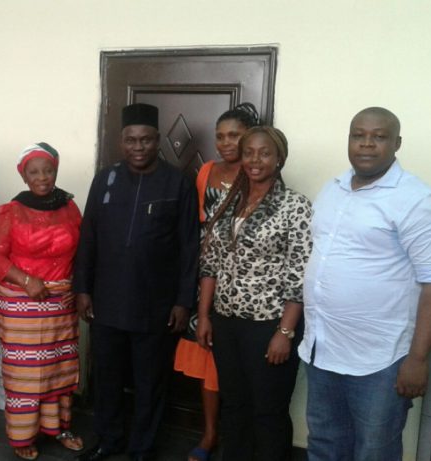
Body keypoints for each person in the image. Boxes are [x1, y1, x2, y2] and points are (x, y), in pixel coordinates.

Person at [298, 107, 431, 461]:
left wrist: (417, 359)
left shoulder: (418, 199)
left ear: (397, 143)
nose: (367, 144)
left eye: (379, 136)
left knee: (374, 451)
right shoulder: (334, 189)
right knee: (324, 444)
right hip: (322, 349)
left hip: (380, 359)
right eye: (358, 135)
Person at [73, 103, 200, 461]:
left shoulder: (178, 183)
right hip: (107, 300)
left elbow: (191, 247)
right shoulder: (106, 179)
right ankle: (109, 440)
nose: (139, 147)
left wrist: (182, 301)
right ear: (121, 141)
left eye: (146, 139)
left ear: (157, 140)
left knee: (150, 383)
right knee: (108, 379)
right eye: (131, 140)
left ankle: (142, 448)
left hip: (155, 306)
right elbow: (89, 237)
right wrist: (82, 288)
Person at [196, 126, 312, 461]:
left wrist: (285, 332)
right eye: (249, 153)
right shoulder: (232, 199)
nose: (255, 160)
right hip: (227, 323)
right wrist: (204, 316)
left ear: (279, 159)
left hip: (269, 326)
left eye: (264, 153)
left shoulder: (295, 206)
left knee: (268, 411)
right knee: (234, 405)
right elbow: (210, 264)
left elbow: (299, 275)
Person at [0, 142, 84, 460]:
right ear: (24, 175)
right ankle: (23, 436)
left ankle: (60, 428)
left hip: (60, 303)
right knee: (25, 373)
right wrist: (28, 281)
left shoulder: (70, 208)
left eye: (48, 170)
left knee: (59, 368)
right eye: (34, 172)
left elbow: (83, 251)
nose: (42, 177)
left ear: (56, 170)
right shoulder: (10, 211)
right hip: (22, 305)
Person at [173, 102, 259, 461]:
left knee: (235, 361)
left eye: (234, 135)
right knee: (206, 355)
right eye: (220, 136)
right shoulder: (207, 170)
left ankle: (237, 437)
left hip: (242, 281)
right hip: (205, 277)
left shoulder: (258, 172)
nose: (225, 142)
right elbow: (195, 224)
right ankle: (209, 434)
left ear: (249, 138)